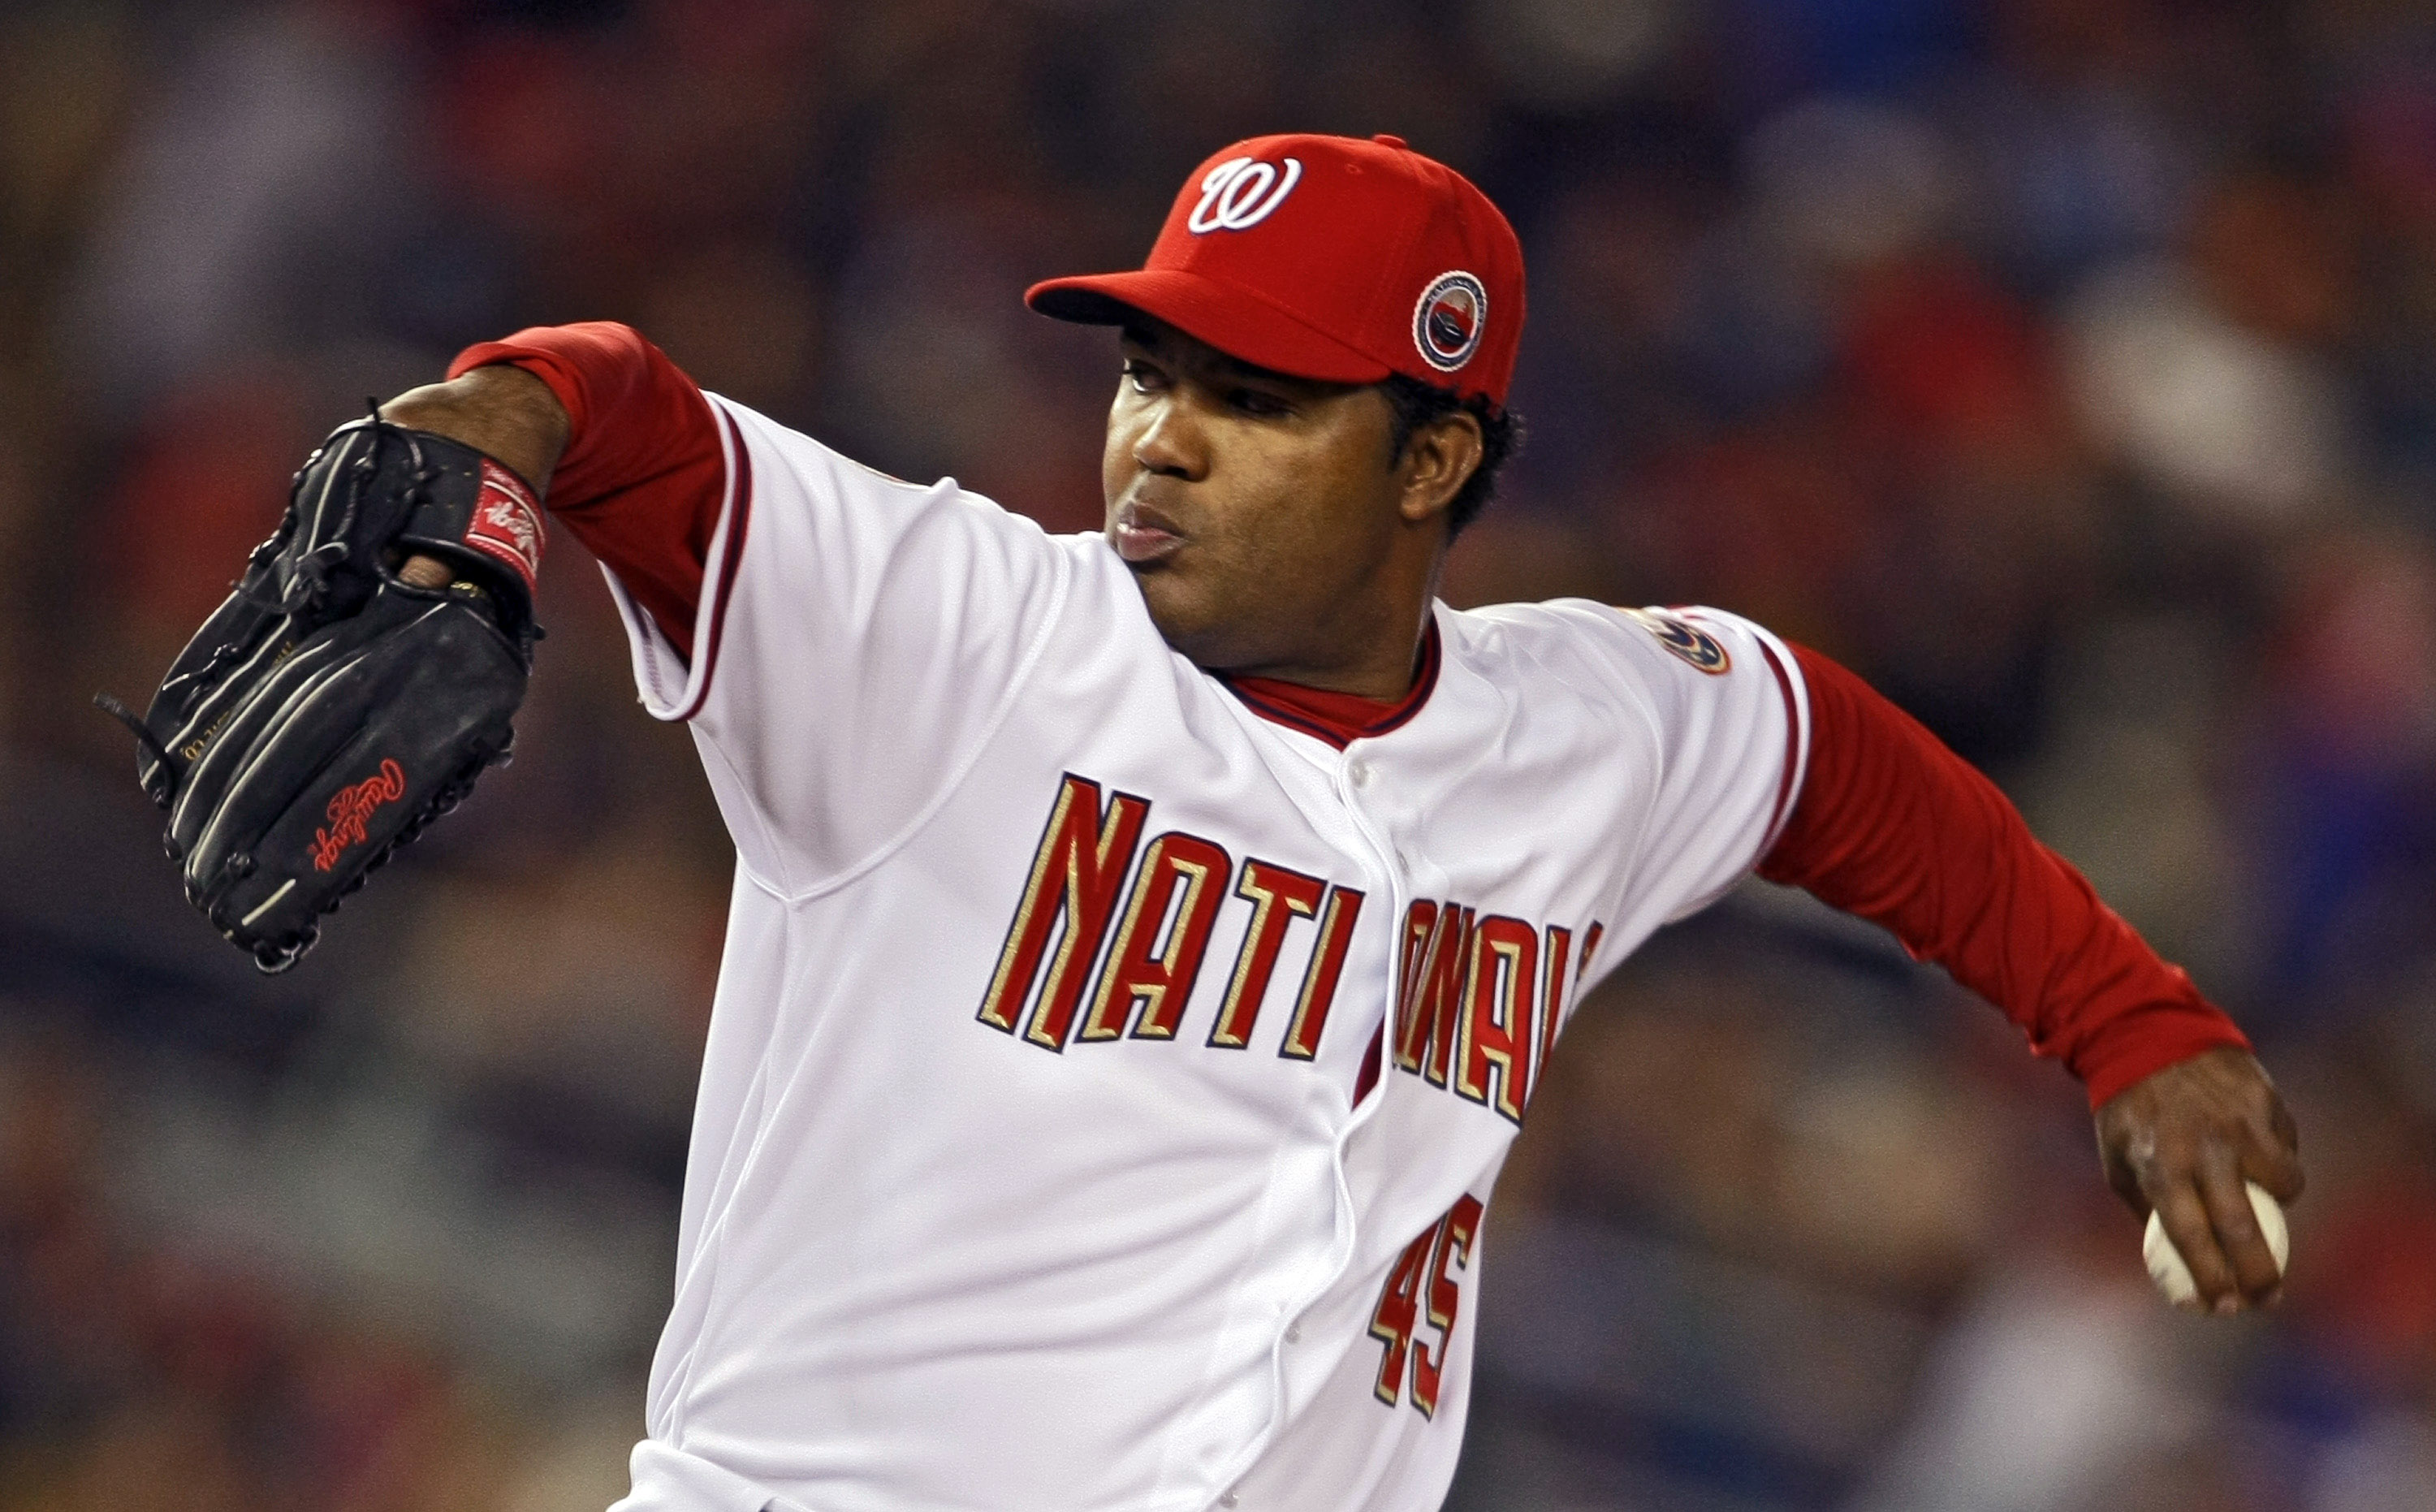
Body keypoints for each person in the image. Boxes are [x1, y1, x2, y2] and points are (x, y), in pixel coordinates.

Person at [377, 133, 2300, 1512]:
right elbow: (621, 405)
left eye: (1257, 395)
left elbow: (1834, 765)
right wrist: (484, 459)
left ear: (1435, 457)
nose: (1162, 438)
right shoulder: (964, 632)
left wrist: (2132, 1022)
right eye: (1150, 371)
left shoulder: (1581, 728)